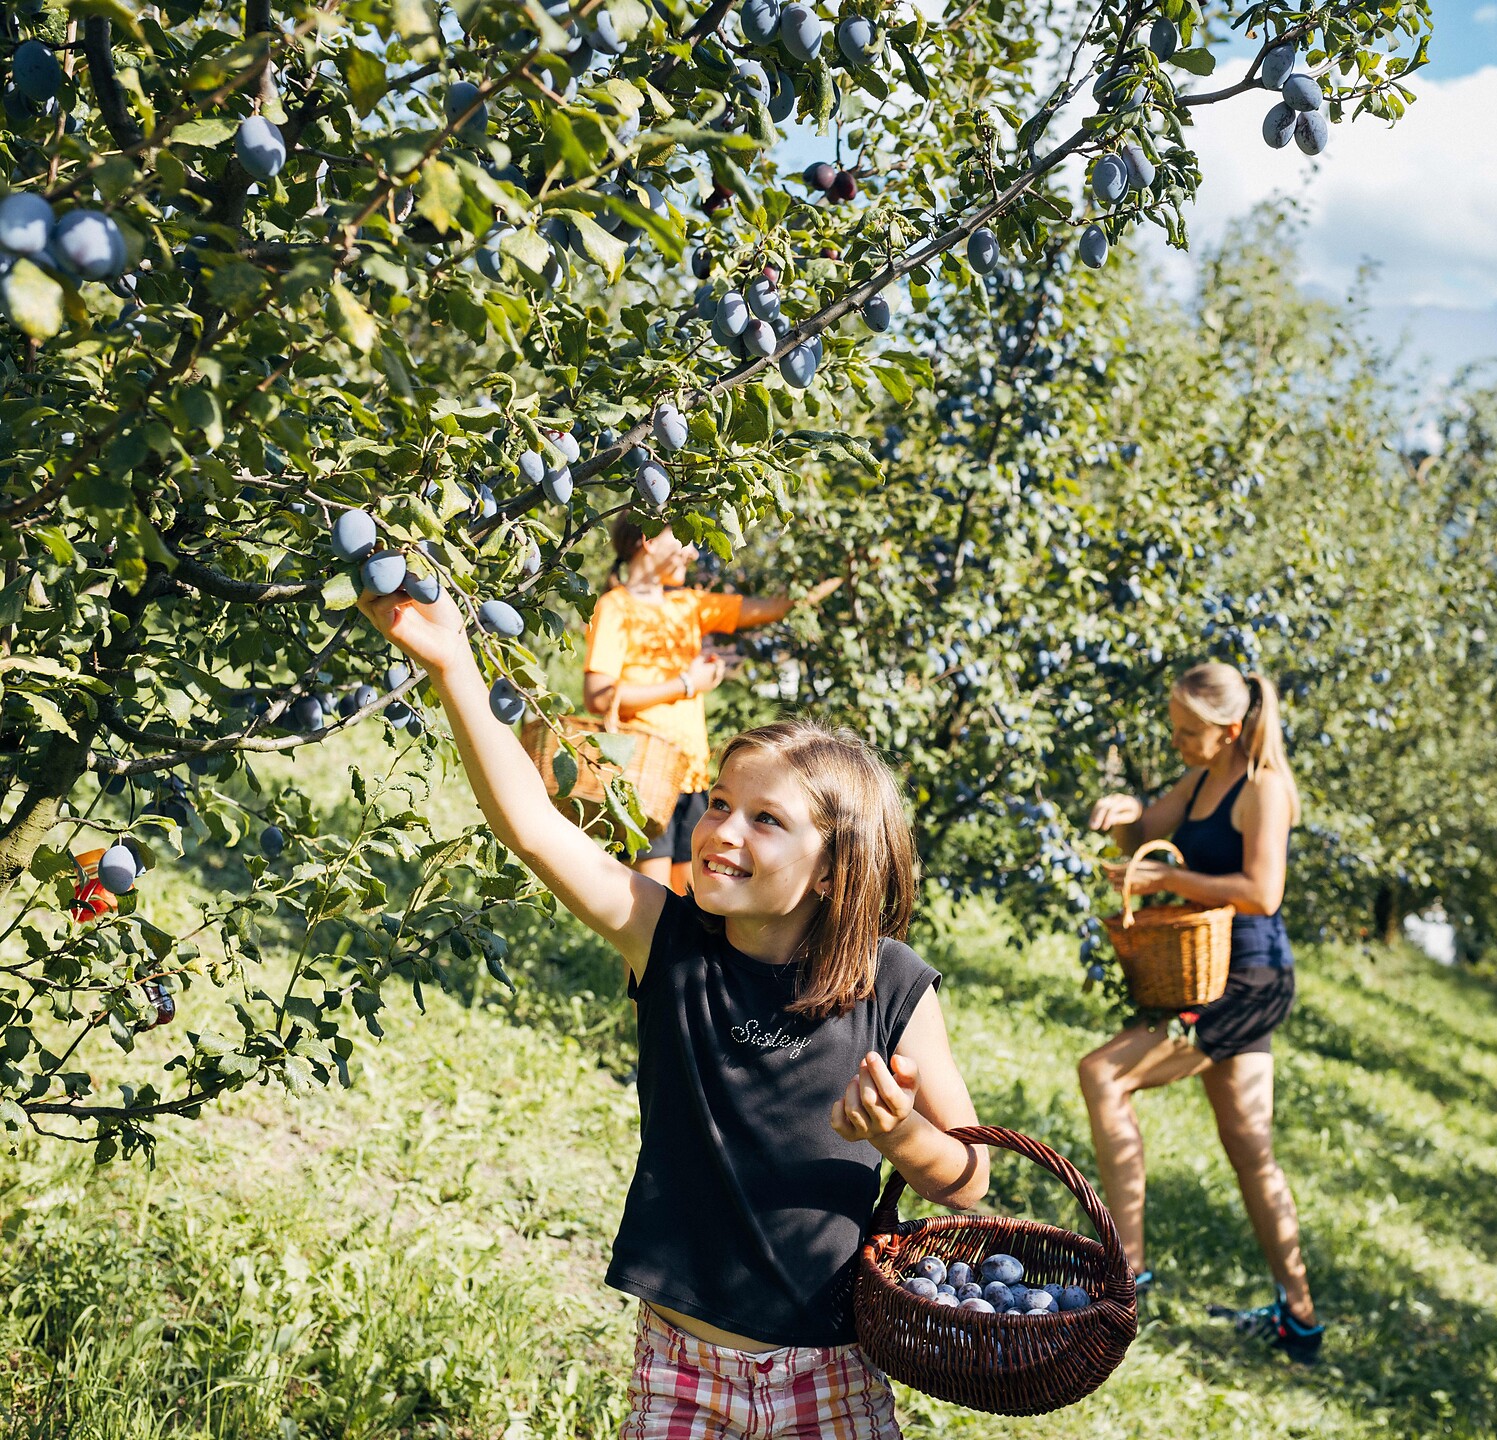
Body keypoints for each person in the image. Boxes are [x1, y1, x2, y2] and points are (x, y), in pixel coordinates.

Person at [358, 585, 988, 1439]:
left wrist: (900, 1134)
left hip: (830, 1372)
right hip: (680, 1368)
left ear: (835, 869)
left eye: (767, 820)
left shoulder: (893, 984)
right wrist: (453, 665)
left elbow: (969, 1183)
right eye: (720, 803)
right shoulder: (668, 935)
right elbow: (535, 829)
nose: (724, 831)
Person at [1078, 662, 1324, 1362]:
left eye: (1190, 732)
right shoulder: (1200, 778)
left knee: (1103, 1074)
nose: (1178, 741)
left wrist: (1168, 878)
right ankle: (1300, 1324)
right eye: (1175, 728)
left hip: (1245, 979)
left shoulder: (1264, 789)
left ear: (1230, 727)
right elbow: (1144, 839)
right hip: (1212, 971)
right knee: (1250, 1148)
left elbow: (1262, 891)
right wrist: (1127, 815)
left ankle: (1126, 1273)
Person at [582, 517, 838, 892]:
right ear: (649, 541)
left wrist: (835, 578)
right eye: (682, 540)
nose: (691, 551)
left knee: (696, 906)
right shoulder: (615, 607)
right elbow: (599, 696)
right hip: (647, 777)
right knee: (652, 912)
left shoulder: (688, 605)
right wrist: (686, 684)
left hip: (692, 778)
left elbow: (772, 607)